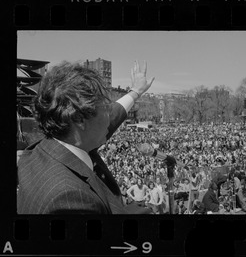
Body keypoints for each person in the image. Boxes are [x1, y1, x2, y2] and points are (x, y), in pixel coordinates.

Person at [17, 60, 154, 214]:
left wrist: (135, 92)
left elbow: (111, 117)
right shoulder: (69, 198)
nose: (110, 115)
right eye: (106, 107)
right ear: (80, 119)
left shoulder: (39, 151)